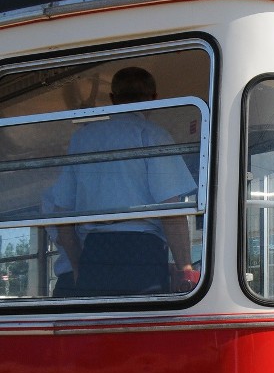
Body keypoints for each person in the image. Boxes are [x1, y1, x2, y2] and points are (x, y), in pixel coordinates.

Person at [54, 67, 198, 296]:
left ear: (112, 99)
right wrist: (185, 269)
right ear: (154, 98)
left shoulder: (82, 138)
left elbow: (61, 214)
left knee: (96, 328)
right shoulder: (153, 135)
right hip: (141, 252)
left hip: (94, 251)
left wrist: (78, 266)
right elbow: (171, 212)